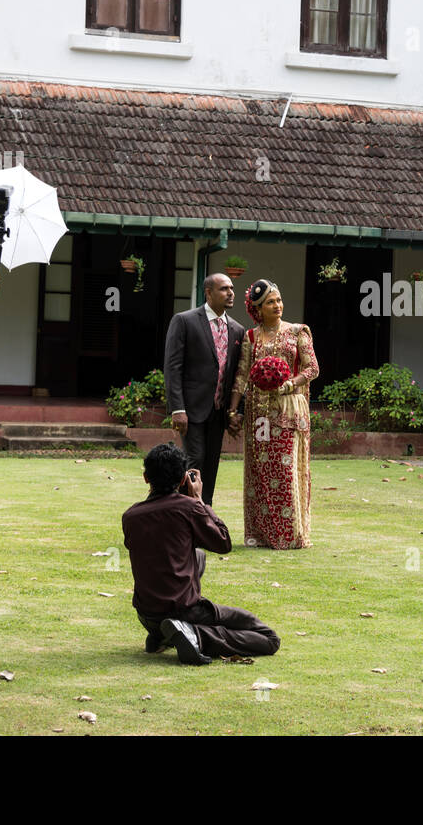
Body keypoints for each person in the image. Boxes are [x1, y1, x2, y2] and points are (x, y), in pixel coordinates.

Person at [122, 443, 280, 664]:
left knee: (198, 555)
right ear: (183, 480)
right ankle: (194, 634)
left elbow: (158, 548)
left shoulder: (130, 516)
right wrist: (199, 500)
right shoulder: (190, 508)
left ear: (146, 477)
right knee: (269, 638)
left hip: (146, 615)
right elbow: (223, 542)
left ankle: (160, 636)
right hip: (184, 611)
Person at [227, 279, 319, 549]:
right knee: (260, 468)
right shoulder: (251, 337)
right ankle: (260, 533)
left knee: (285, 468)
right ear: (257, 309)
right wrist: (233, 409)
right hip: (259, 413)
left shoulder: (298, 331)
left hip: (288, 409)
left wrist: (292, 383)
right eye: (270, 302)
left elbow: (312, 368)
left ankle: (289, 534)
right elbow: (242, 375)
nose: (277, 305)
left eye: (278, 300)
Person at [163, 273, 245, 507]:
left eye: (231, 288)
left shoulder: (237, 330)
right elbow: (173, 367)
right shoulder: (185, 321)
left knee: (211, 464)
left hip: (218, 413)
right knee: (194, 461)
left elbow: (240, 375)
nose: (230, 293)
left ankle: (204, 513)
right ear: (208, 293)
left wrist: (236, 411)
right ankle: (185, 514)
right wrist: (177, 408)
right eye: (223, 289)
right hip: (191, 409)